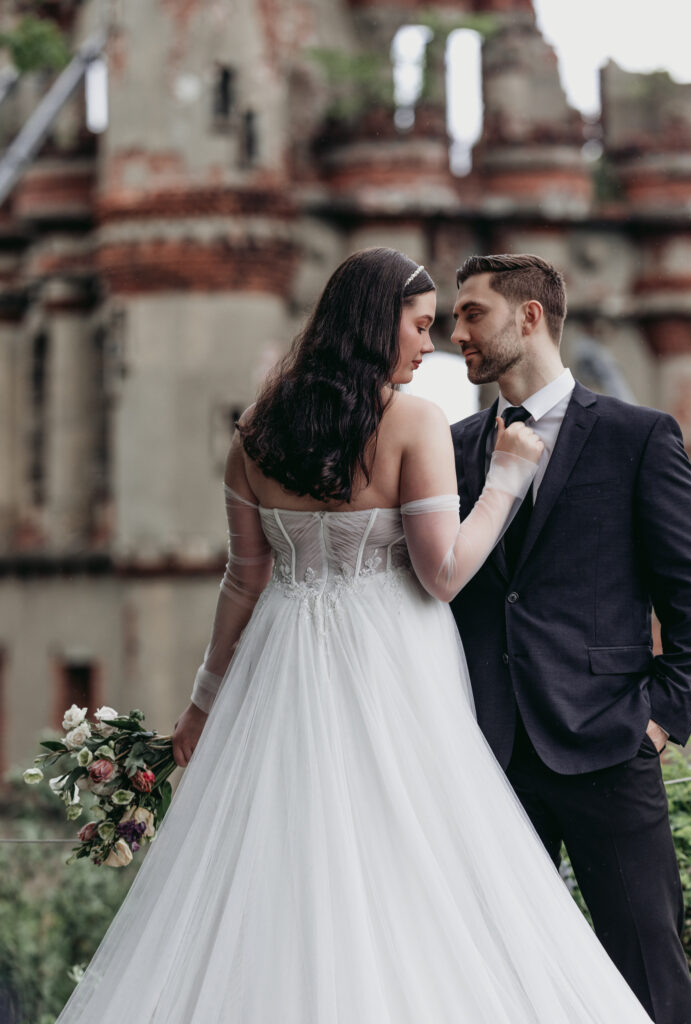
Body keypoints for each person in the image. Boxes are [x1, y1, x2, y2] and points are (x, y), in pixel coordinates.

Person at [56, 248, 653, 1023]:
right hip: (394, 668)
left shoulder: (256, 432)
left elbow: (244, 580)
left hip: (279, 667)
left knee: (283, 861)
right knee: (417, 862)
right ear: (376, 325)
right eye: (418, 326)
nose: (429, 345)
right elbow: (442, 575)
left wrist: (203, 706)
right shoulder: (413, 422)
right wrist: (504, 478)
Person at [449, 252, 691, 1024]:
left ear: (529, 318)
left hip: (609, 748)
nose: (455, 331)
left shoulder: (638, 437)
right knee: (493, 984)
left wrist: (658, 721)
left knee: (649, 981)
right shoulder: (456, 446)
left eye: (473, 313)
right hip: (486, 756)